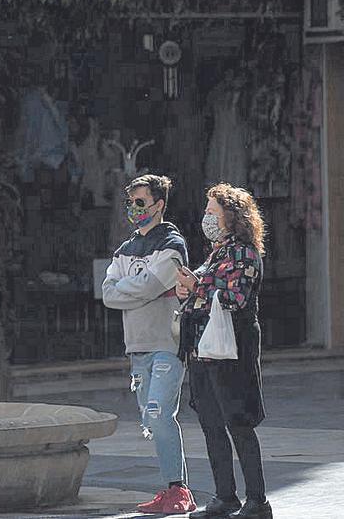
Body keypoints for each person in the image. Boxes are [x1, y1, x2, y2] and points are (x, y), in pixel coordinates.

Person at [101, 175, 196, 514]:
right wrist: (138, 288)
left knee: (158, 413)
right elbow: (108, 294)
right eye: (130, 203)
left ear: (159, 205)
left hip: (167, 342)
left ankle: (179, 490)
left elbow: (149, 285)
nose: (134, 209)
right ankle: (172, 485)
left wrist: (133, 288)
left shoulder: (173, 244)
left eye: (140, 203)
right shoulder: (124, 249)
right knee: (150, 417)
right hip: (136, 345)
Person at [177, 184, 271, 519]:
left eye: (212, 211)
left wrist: (197, 287)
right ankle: (225, 497)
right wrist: (188, 290)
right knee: (211, 424)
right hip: (204, 350)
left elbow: (236, 299)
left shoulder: (244, 253)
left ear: (231, 215)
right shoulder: (218, 252)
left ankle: (257, 501)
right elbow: (206, 295)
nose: (207, 217)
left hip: (232, 352)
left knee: (238, 423)